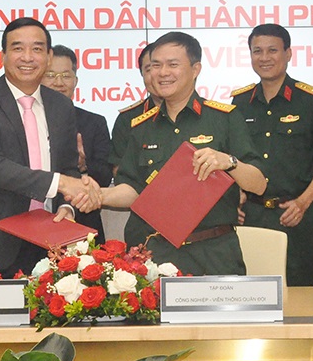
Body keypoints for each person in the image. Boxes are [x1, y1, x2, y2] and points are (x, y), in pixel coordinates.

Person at [101, 31, 267, 275]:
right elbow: (133, 189)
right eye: (156, 65)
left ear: (196, 68)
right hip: (157, 254)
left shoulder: (225, 118)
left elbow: (259, 184)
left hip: (214, 252)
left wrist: (229, 162)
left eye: (173, 64)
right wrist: (99, 195)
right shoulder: (141, 126)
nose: (162, 72)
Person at [0, 18, 101, 279]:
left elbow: (67, 167)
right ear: (3, 55)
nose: (28, 57)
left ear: (49, 56)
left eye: (38, 49)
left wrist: (67, 207)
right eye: (18, 48)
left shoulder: (61, 106)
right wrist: (62, 183)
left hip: (49, 243)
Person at [232, 24, 313, 286]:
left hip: (297, 215)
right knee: (252, 293)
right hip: (252, 215)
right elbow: (232, 160)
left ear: (288, 53)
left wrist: (303, 203)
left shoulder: (312, 100)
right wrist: (235, 201)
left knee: (302, 293)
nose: (264, 58)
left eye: (272, 50)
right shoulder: (239, 102)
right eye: (257, 51)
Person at [41, 45, 110, 239]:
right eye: (51, 75)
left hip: (82, 223)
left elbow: (105, 177)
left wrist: (83, 166)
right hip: (31, 224)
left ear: (76, 80)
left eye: (66, 75)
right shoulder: (23, 120)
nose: (59, 82)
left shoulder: (95, 122)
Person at [108, 45, 155, 175]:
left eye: (171, 65)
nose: (159, 74)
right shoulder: (128, 119)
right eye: (150, 69)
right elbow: (120, 174)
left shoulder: (213, 116)